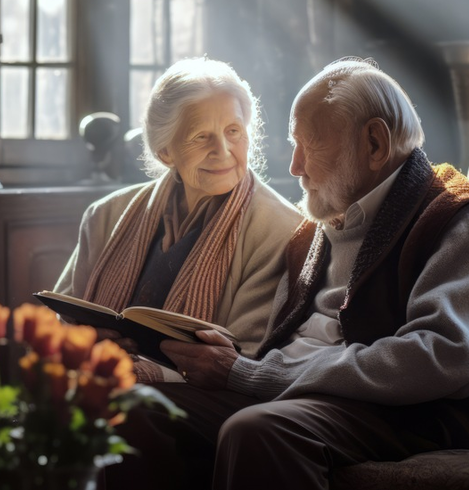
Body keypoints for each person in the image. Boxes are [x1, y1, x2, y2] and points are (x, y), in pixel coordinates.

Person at [109, 56, 469, 490]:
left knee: (258, 430)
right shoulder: (313, 230)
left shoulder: (450, 218)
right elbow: (280, 345)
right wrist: (229, 355)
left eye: (309, 144)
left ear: (374, 144)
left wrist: (250, 374)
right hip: (297, 391)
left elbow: (441, 353)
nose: (295, 166)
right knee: (136, 407)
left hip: (402, 409)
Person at [53, 57, 303, 373]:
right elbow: (58, 324)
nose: (223, 150)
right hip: (96, 382)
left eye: (233, 131)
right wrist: (82, 343)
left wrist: (133, 372)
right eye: (201, 136)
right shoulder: (104, 216)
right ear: (165, 152)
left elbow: (244, 359)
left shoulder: (281, 230)